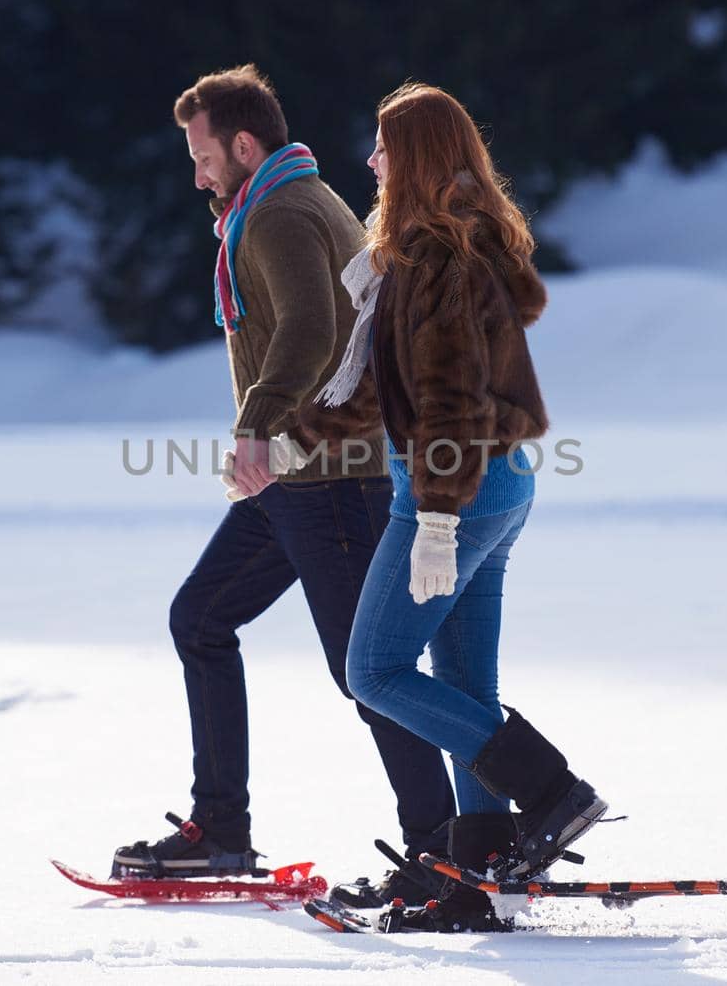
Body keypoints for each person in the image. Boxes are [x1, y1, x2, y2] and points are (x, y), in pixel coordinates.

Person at [112, 66, 455, 905]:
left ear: (242, 143)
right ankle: (221, 826)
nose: (196, 175)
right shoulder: (285, 201)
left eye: (201, 156)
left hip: (327, 476)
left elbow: (312, 325)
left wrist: (256, 424)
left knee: (366, 670)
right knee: (202, 617)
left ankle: (443, 848)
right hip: (300, 477)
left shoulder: (278, 214)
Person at [332, 83, 608, 932]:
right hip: (495, 487)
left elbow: (450, 403)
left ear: (409, 158)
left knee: (371, 671)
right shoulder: (430, 253)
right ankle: (481, 868)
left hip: (457, 491)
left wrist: (438, 520)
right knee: (463, 682)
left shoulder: (440, 261)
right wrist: (287, 439)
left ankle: (553, 794)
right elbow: (382, 386)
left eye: (382, 148)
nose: (371, 162)